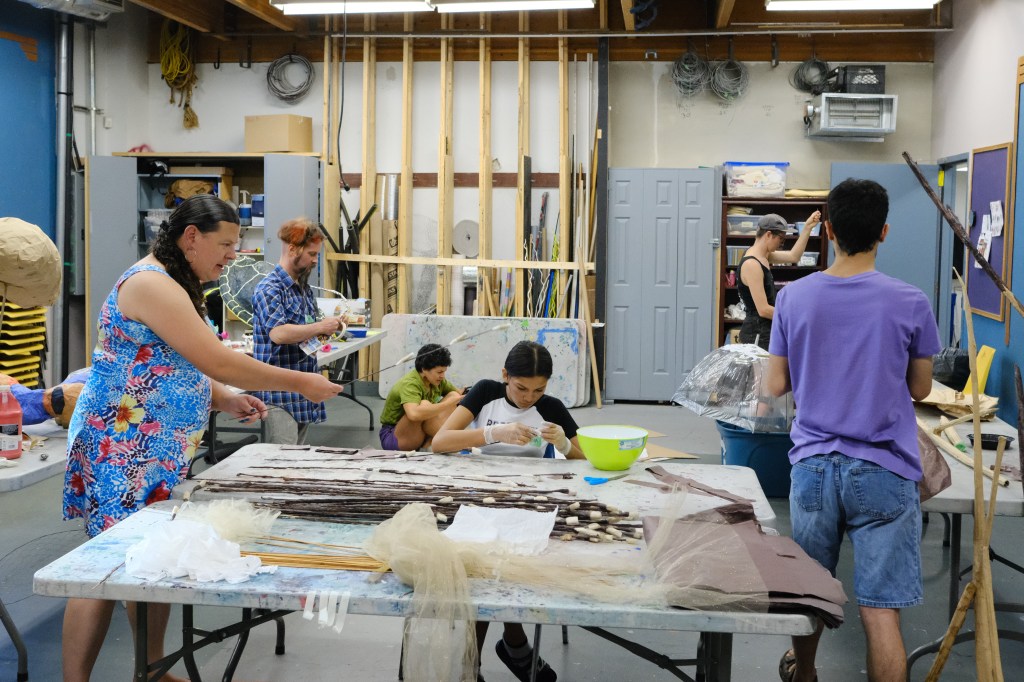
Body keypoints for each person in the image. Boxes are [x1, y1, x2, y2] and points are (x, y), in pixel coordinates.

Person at [61, 194, 341, 682]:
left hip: (154, 445)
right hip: (121, 444)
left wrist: (221, 397)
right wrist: (299, 381)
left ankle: (150, 668)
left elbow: (175, 361)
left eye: (237, 245)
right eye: (226, 244)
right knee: (102, 567)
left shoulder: (176, 282)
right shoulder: (150, 284)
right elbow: (217, 358)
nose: (233, 255)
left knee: (151, 554)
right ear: (191, 237)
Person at [765, 179, 940, 682]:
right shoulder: (909, 301)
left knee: (811, 594)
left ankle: (805, 672)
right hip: (883, 468)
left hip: (815, 468)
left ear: (831, 231)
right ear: (883, 231)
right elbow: (922, 389)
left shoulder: (796, 297)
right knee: (881, 611)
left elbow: (776, 383)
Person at [431, 340, 583, 682]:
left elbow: (585, 457)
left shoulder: (551, 406)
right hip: (479, 498)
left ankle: (495, 654)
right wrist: (492, 433)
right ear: (505, 376)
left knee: (505, 565)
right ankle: (504, 650)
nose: (529, 397)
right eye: (521, 388)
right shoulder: (486, 393)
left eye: (538, 389)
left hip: (527, 503)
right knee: (483, 564)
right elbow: (439, 442)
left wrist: (563, 444)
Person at [251, 218, 346, 445]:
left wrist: (330, 329)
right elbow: (279, 334)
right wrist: (320, 326)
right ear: (292, 249)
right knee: (281, 461)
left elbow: (306, 332)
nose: (315, 260)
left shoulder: (303, 289)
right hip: (279, 393)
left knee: (297, 459)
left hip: (303, 387)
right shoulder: (270, 288)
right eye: (312, 254)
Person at [737, 210, 820, 350]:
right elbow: (763, 310)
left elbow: (794, 257)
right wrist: (794, 315)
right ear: (768, 234)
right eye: (781, 239)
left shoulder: (764, 256)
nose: (781, 244)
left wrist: (807, 228)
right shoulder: (752, 264)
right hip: (757, 335)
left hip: (767, 330)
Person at [379, 344, 463, 451]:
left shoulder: (436, 380)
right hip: (394, 436)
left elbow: (457, 394)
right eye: (439, 372)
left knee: (454, 395)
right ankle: (453, 442)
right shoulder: (410, 384)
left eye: (444, 371)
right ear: (423, 369)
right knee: (425, 405)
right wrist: (447, 404)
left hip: (418, 433)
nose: (442, 376)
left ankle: (429, 444)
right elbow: (413, 415)